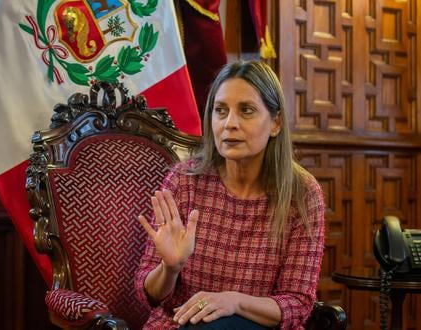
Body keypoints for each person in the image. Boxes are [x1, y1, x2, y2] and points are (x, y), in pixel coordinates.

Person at [134, 60, 325, 330]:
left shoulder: (302, 193)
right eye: (220, 111)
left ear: (276, 123)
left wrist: (233, 302)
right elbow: (149, 297)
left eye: (246, 111)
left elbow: (298, 303)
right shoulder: (184, 181)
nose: (229, 124)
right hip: (180, 325)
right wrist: (170, 268)